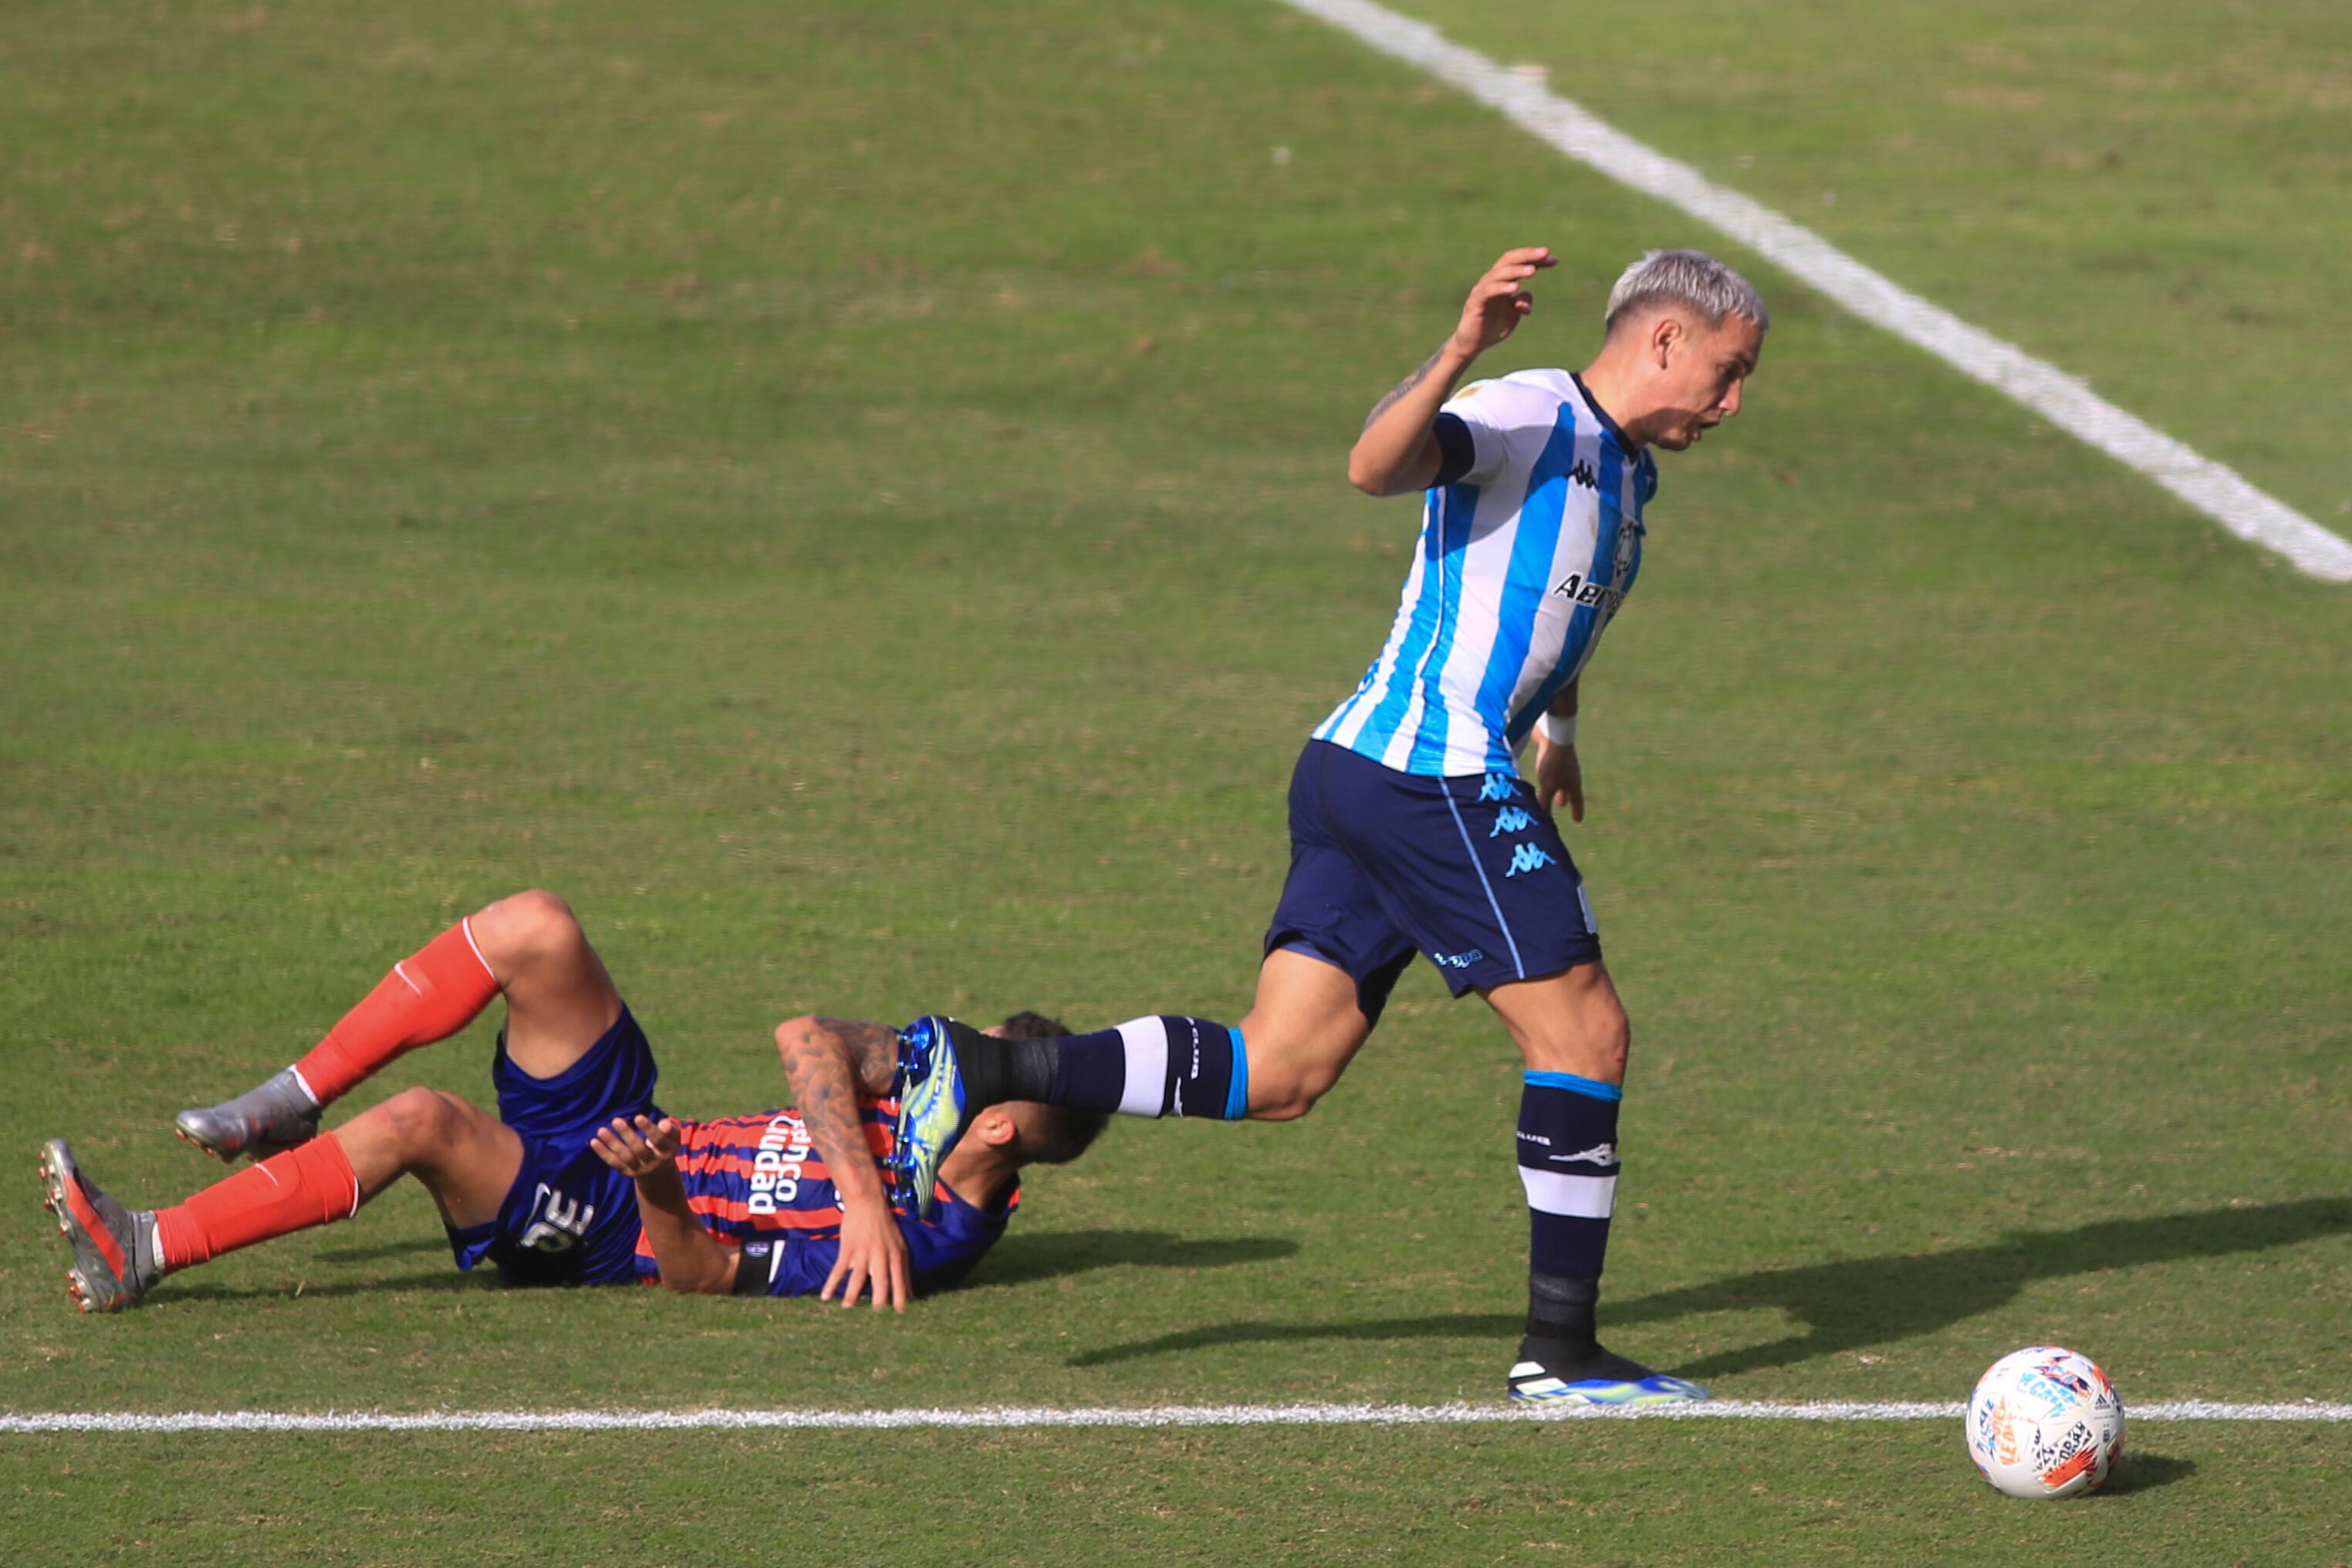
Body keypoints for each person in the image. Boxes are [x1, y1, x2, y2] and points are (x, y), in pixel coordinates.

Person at [887, 248, 1766, 1404]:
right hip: (1430, 775)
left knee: (1283, 1070)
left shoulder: (1630, 468)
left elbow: (1558, 606)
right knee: (1586, 1038)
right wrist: (1459, 351)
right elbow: (1374, 467)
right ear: (1663, 339)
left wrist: (1559, 731)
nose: (1736, 399)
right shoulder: (1525, 411)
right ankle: (1561, 1352)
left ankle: (990, 1060)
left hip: (1360, 769)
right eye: (1729, 368)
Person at [37, 890, 1104, 1313]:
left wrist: (660, 1190)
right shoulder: (919, 1124)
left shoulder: (926, 1246)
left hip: (605, 1218)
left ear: (999, 1125)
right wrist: (863, 1186)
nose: (934, 1059)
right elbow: (804, 1037)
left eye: (965, 1063)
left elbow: (703, 1276)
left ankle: (144, 1248)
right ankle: (291, 1098)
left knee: (421, 1120)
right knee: (537, 928)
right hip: (632, 1130)